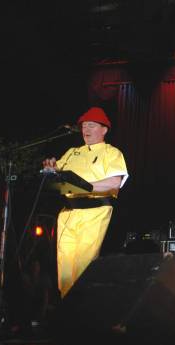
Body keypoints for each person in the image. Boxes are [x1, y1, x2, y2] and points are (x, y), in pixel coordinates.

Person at [42, 107, 128, 298]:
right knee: (64, 270)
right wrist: (51, 171)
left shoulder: (111, 152)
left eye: (91, 125)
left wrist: (86, 187)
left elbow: (114, 183)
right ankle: (67, 311)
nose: (86, 129)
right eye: (83, 126)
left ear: (104, 129)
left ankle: (82, 314)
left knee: (83, 267)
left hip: (94, 212)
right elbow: (58, 177)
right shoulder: (72, 152)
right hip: (67, 213)